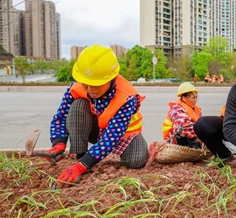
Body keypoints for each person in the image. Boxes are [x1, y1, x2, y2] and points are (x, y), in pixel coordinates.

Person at [47, 44, 148, 188]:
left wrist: (82, 167)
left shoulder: (126, 97)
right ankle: (80, 156)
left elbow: (111, 137)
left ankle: (85, 161)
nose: (90, 89)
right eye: (86, 84)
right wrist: (58, 142)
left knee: (136, 161)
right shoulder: (76, 88)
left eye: (97, 84)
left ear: (111, 78)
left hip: (124, 135)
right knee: (78, 106)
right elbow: (61, 117)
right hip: (94, 130)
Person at [162, 82, 202, 148]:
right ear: (183, 98)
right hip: (174, 140)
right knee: (185, 133)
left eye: (196, 97)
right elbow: (185, 130)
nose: (195, 100)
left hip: (191, 136)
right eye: (193, 98)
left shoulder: (196, 109)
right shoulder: (177, 110)